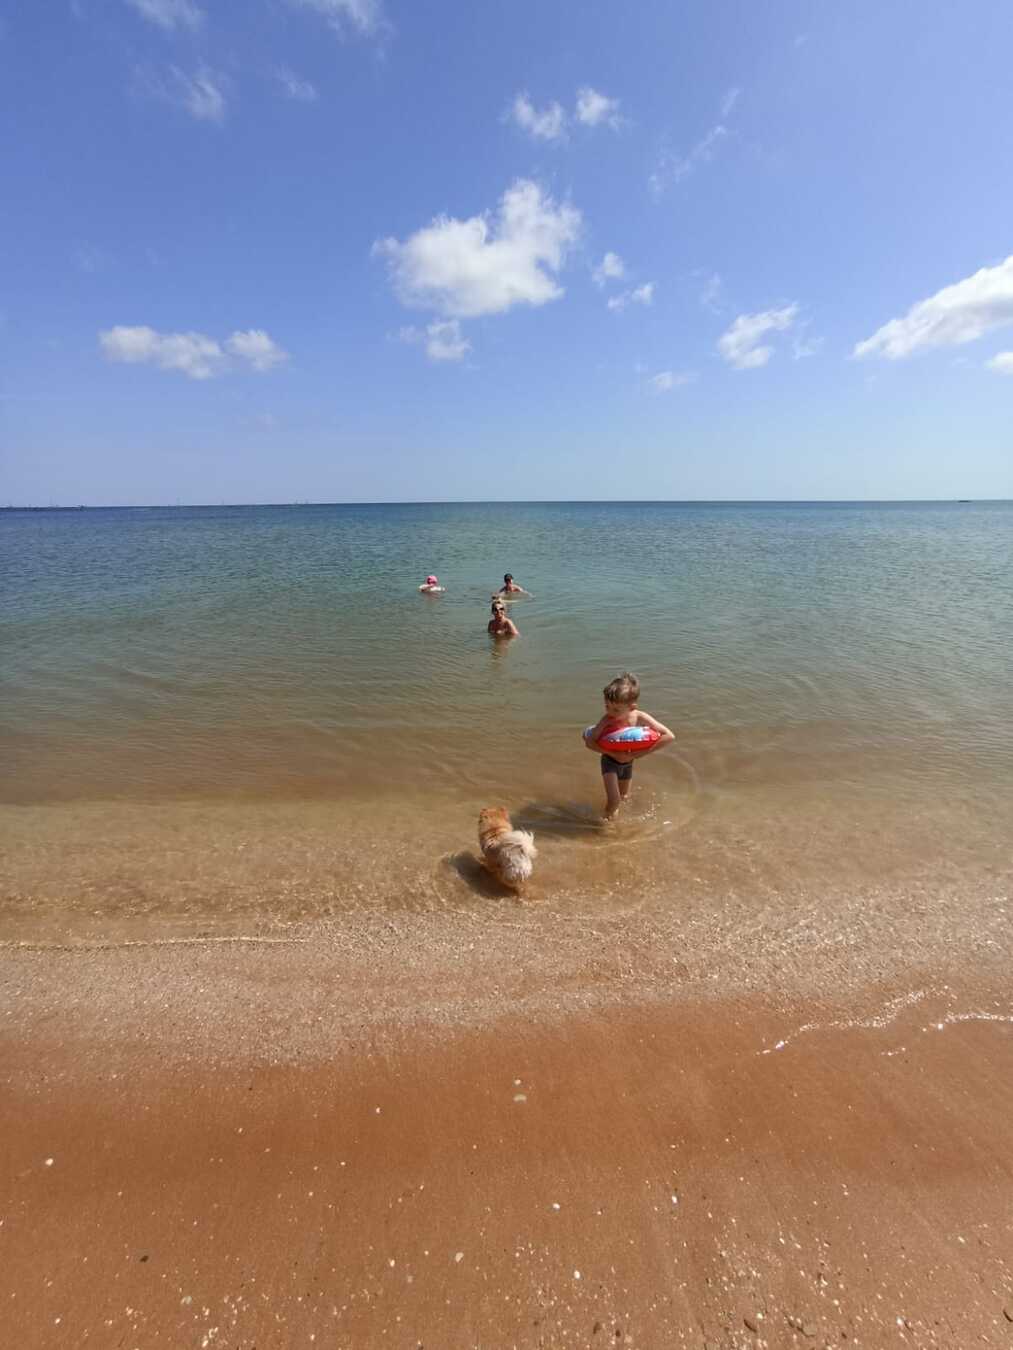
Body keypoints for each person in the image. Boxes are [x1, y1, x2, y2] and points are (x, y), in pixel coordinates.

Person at [583, 671, 674, 820]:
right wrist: (612, 753)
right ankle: (607, 826)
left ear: (632, 707)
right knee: (614, 800)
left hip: (628, 763)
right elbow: (590, 742)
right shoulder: (607, 720)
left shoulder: (640, 716)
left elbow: (669, 736)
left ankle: (617, 822)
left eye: (616, 709)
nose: (610, 712)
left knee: (624, 797)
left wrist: (640, 753)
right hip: (610, 762)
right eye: (607, 706)